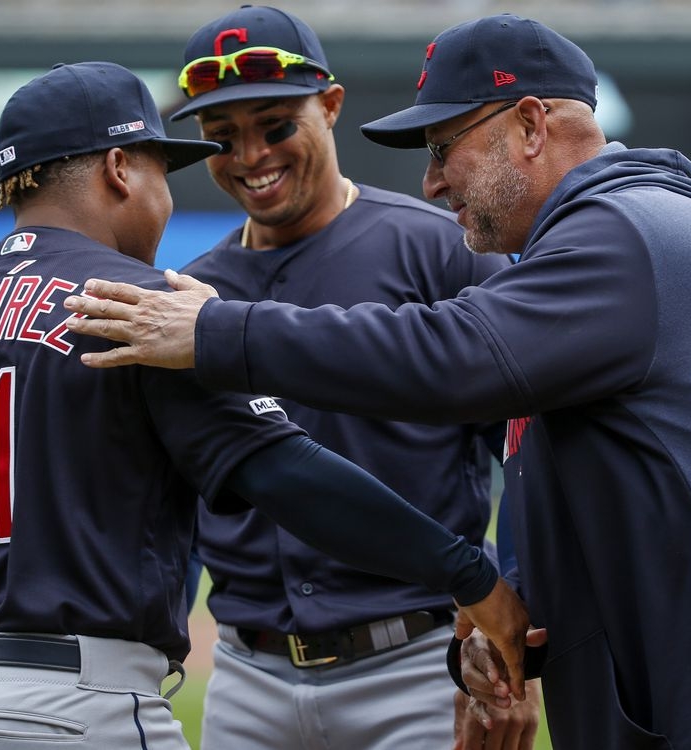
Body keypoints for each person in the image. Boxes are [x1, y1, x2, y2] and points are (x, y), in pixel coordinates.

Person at [61, 13, 691, 750]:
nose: (430, 181)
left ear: (529, 125)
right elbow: (551, 470)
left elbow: (456, 355)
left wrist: (220, 330)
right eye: (221, 135)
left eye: (443, 146)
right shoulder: (598, 238)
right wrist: (520, 610)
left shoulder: (627, 230)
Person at [0, 60, 536, 750]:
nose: (167, 194)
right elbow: (285, 472)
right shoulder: (138, 309)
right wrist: (468, 574)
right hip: (73, 710)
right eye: (162, 168)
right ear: (119, 169)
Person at [167, 6, 539, 750]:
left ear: (331, 105)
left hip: (415, 665)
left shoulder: (440, 249)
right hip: (248, 672)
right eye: (222, 138)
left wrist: (517, 653)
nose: (250, 155)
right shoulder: (193, 293)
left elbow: (530, 452)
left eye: (275, 126)